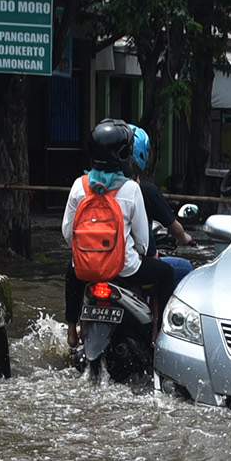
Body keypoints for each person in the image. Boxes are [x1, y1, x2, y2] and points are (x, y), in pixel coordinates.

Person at [63, 116, 186, 330]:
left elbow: (67, 233)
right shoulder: (130, 189)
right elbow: (143, 243)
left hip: (87, 268)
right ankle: (160, 332)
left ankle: (72, 331)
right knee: (167, 272)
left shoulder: (78, 186)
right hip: (125, 268)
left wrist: (88, 255)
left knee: (71, 270)